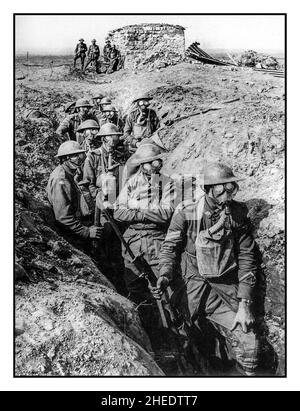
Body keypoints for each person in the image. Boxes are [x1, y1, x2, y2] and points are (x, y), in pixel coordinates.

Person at [154, 162, 272, 376]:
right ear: (207, 189)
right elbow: (170, 247)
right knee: (187, 340)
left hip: (224, 288)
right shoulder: (187, 212)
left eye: (232, 188)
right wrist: (164, 274)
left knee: (249, 343)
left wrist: (244, 303)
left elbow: (247, 257)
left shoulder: (237, 214)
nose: (229, 193)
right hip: (190, 287)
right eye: (222, 188)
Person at [113, 144, 176, 347]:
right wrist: (146, 211)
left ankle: (172, 340)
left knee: (163, 291)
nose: (155, 165)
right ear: (143, 164)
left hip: (156, 240)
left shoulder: (168, 184)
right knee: (136, 289)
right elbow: (118, 213)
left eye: (157, 161)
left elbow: (166, 213)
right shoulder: (131, 183)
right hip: (132, 241)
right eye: (151, 163)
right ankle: (147, 337)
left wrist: (137, 207)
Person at [82, 123, 129, 292]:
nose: (115, 139)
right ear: (103, 138)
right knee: (103, 243)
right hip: (101, 209)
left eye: (116, 136)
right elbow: (86, 184)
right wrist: (99, 197)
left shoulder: (120, 155)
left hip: (119, 205)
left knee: (119, 244)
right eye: (111, 136)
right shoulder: (93, 157)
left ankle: (121, 278)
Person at [46, 141, 102, 254]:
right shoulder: (61, 179)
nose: (79, 159)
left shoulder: (70, 174)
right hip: (69, 234)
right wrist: (87, 232)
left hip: (75, 226)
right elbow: (63, 217)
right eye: (74, 156)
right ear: (65, 158)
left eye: (80, 155)